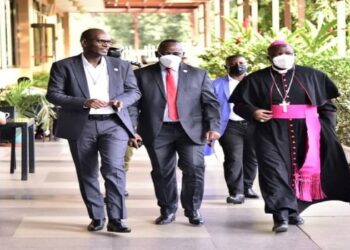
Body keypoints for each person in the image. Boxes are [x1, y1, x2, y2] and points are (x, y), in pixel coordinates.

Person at [229, 40, 350, 233]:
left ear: (294, 54)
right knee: (273, 172)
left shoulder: (312, 76)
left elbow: (327, 107)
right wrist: (253, 112)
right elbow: (240, 105)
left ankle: (294, 211)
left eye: (288, 53)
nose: (283, 56)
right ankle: (281, 215)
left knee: (300, 172)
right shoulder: (256, 79)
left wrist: (325, 128)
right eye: (278, 54)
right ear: (269, 58)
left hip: (307, 133)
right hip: (269, 133)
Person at [46, 28, 141, 233]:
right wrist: (84, 102)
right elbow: (53, 95)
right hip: (82, 125)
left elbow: (134, 92)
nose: (106, 45)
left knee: (114, 170)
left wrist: (121, 100)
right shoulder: (64, 66)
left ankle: (116, 218)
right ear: (84, 42)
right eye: (100, 41)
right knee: (87, 172)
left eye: (107, 41)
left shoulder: (121, 66)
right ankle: (97, 217)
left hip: (114, 124)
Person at [129, 39, 221, 225]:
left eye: (176, 53)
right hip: (157, 130)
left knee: (195, 168)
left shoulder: (198, 75)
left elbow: (210, 103)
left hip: (191, 130)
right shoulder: (141, 75)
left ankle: (193, 209)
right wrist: (132, 129)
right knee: (162, 172)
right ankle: (167, 209)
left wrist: (213, 127)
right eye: (167, 53)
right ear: (158, 54)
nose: (172, 57)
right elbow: (132, 105)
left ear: (182, 54)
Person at [205, 54, 259, 205]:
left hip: (253, 124)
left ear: (247, 64)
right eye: (233, 63)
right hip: (229, 126)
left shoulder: (256, 81)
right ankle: (236, 192)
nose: (238, 65)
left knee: (252, 158)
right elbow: (209, 106)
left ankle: (247, 186)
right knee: (234, 158)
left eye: (241, 62)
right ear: (226, 67)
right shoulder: (215, 84)